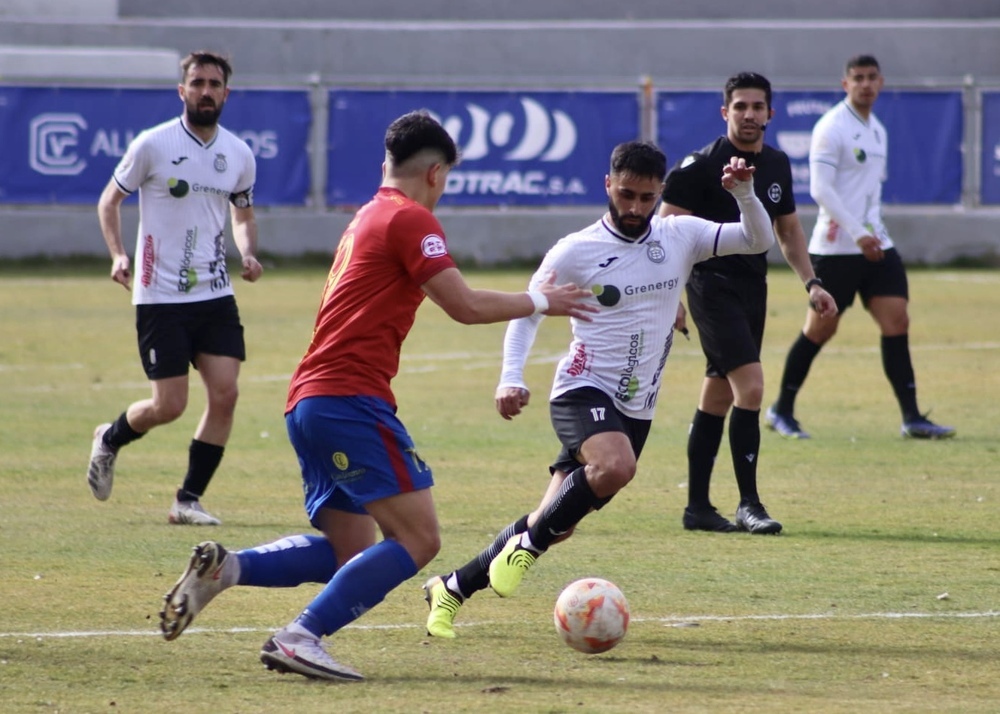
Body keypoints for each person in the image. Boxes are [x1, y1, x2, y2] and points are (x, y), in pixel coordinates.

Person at [155, 110, 595, 682]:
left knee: (350, 548)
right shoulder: (410, 220)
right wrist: (541, 301)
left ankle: (228, 569)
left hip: (310, 401)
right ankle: (300, 637)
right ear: (435, 173)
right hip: (349, 400)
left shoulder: (367, 214)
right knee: (418, 538)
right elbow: (462, 305)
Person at [422, 140, 776, 640]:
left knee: (554, 522)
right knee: (615, 467)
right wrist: (511, 376)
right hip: (582, 391)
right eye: (626, 194)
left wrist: (745, 193)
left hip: (637, 408)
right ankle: (525, 550)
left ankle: (452, 587)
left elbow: (756, 239)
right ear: (608, 185)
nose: (634, 208)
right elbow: (528, 310)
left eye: (646, 198)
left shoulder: (681, 236)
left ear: (660, 194)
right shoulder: (576, 250)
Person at [657, 72, 838, 535]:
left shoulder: (776, 163)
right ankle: (749, 504)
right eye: (741, 106)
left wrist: (811, 283)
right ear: (725, 112)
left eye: (758, 107)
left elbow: (789, 231)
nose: (750, 114)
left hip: (752, 288)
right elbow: (663, 235)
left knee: (718, 392)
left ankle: (697, 508)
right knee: (751, 387)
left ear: (770, 114)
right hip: (709, 285)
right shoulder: (699, 166)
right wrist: (669, 296)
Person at [89, 51, 263, 526]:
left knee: (225, 394)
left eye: (214, 84)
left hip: (214, 293)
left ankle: (187, 500)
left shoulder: (239, 154)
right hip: (158, 295)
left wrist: (247, 251)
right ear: (182, 91)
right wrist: (118, 254)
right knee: (169, 405)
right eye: (197, 82)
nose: (206, 91)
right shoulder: (153, 144)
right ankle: (110, 438)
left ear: (226, 93)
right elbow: (110, 201)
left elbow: (242, 212)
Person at [766, 55, 955, 440]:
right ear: (845, 84)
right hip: (837, 248)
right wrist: (856, 232)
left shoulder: (878, 129)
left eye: (871, 78)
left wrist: (872, 233)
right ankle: (780, 410)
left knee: (897, 320)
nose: (865, 84)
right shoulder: (831, 127)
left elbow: (868, 191)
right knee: (820, 330)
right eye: (858, 78)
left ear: (881, 83)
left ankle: (912, 418)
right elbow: (821, 189)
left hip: (876, 243)